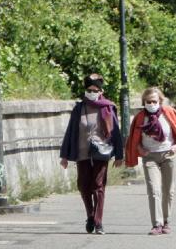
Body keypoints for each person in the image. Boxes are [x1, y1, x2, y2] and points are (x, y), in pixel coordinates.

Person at [125, 87, 176, 235]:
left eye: (154, 101)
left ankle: (166, 221)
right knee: (154, 190)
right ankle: (157, 224)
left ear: (160, 101)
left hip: (168, 155)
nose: (151, 104)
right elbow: (133, 138)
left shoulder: (169, 113)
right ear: (144, 102)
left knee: (168, 191)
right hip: (150, 157)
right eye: (148, 101)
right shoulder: (140, 117)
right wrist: (139, 148)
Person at [59, 73, 124, 235]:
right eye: (89, 89)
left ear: (100, 91)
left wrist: (119, 154)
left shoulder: (108, 107)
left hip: (102, 151)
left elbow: (116, 131)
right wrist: (65, 155)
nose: (92, 92)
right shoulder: (78, 108)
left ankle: (98, 221)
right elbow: (70, 132)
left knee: (98, 185)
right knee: (83, 185)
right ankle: (90, 215)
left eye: (95, 90)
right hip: (82, 152)